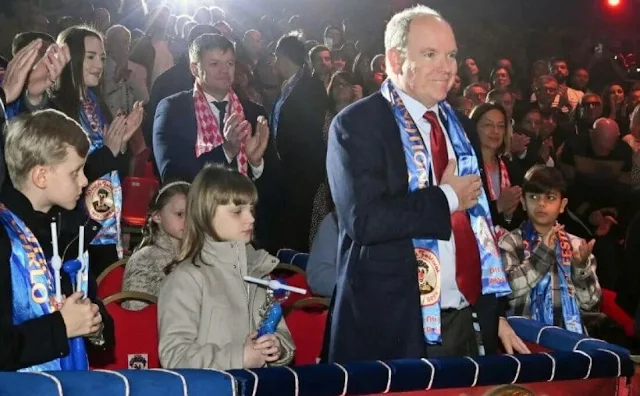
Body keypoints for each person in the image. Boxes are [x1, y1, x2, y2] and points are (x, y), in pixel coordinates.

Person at [325, 6, 527, 363]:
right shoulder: (357, 124)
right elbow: (364, 221)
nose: (447, 67)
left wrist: (493, 312)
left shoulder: (461, 126)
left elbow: (478, 228)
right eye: (430, 54)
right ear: (394, 59)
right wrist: (446, 197)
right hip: (394, 326)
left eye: (451, 55)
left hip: (466, 318)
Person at [18, 27, 144, 277]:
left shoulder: (97, 106)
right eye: (91, 57)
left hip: (104, 222)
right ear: (72, 58)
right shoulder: (56, 108)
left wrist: (121, 145)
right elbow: (63, 172)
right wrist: (109, 151)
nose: (99, 64)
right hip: (72, 228)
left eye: (103, 57)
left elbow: (111, 169)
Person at [0, 109, 113, 371]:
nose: (85, 181)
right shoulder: (5, 236)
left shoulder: (69, 232)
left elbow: (94, 310)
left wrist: (95, 326)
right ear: (41, 176)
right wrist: (61, 327)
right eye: (75, 172)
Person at [157, 165, 295, 370]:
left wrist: (278, 346)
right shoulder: (187, 278)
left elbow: (281, 332)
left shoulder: (259, 273)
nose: (251, 219)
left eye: (251, 209)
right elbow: (175, 355)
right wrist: (239, 357)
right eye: (237, 211)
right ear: (206, 214)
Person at [153, 33, 269, 184]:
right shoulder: (173, 110)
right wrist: (226, 151)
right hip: (195, 206)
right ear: (195, 69)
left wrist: (256, 164)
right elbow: (173, 176)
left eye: (229, 63)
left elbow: (275, 187)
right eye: (214, 64)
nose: (224, 71)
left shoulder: (254, 113)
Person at [499, 166, 601, 333]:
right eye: (533, 197)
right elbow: (507, 291)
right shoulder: (510, 243)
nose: (541, 203)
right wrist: (543, 254)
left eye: (550, 198)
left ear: (562, 205)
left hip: (570, 340)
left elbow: (591, 303)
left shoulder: (576, 245)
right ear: (523, 203)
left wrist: (580, 268)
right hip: (524, 340)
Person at [122, 181, 190, 311]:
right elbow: (136, 315)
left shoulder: (198, 255)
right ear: (157, 216)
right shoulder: (144, 260)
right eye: (180, 214)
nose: (188, 220)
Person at [469, 103, 525, 231]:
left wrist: (509, 214)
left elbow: (520, 217)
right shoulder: (466, 167)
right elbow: (464, 216)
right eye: (488, 125)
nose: (495, 131)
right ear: (474, 127)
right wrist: (497, 207)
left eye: (500, 126)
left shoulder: (511, 166)